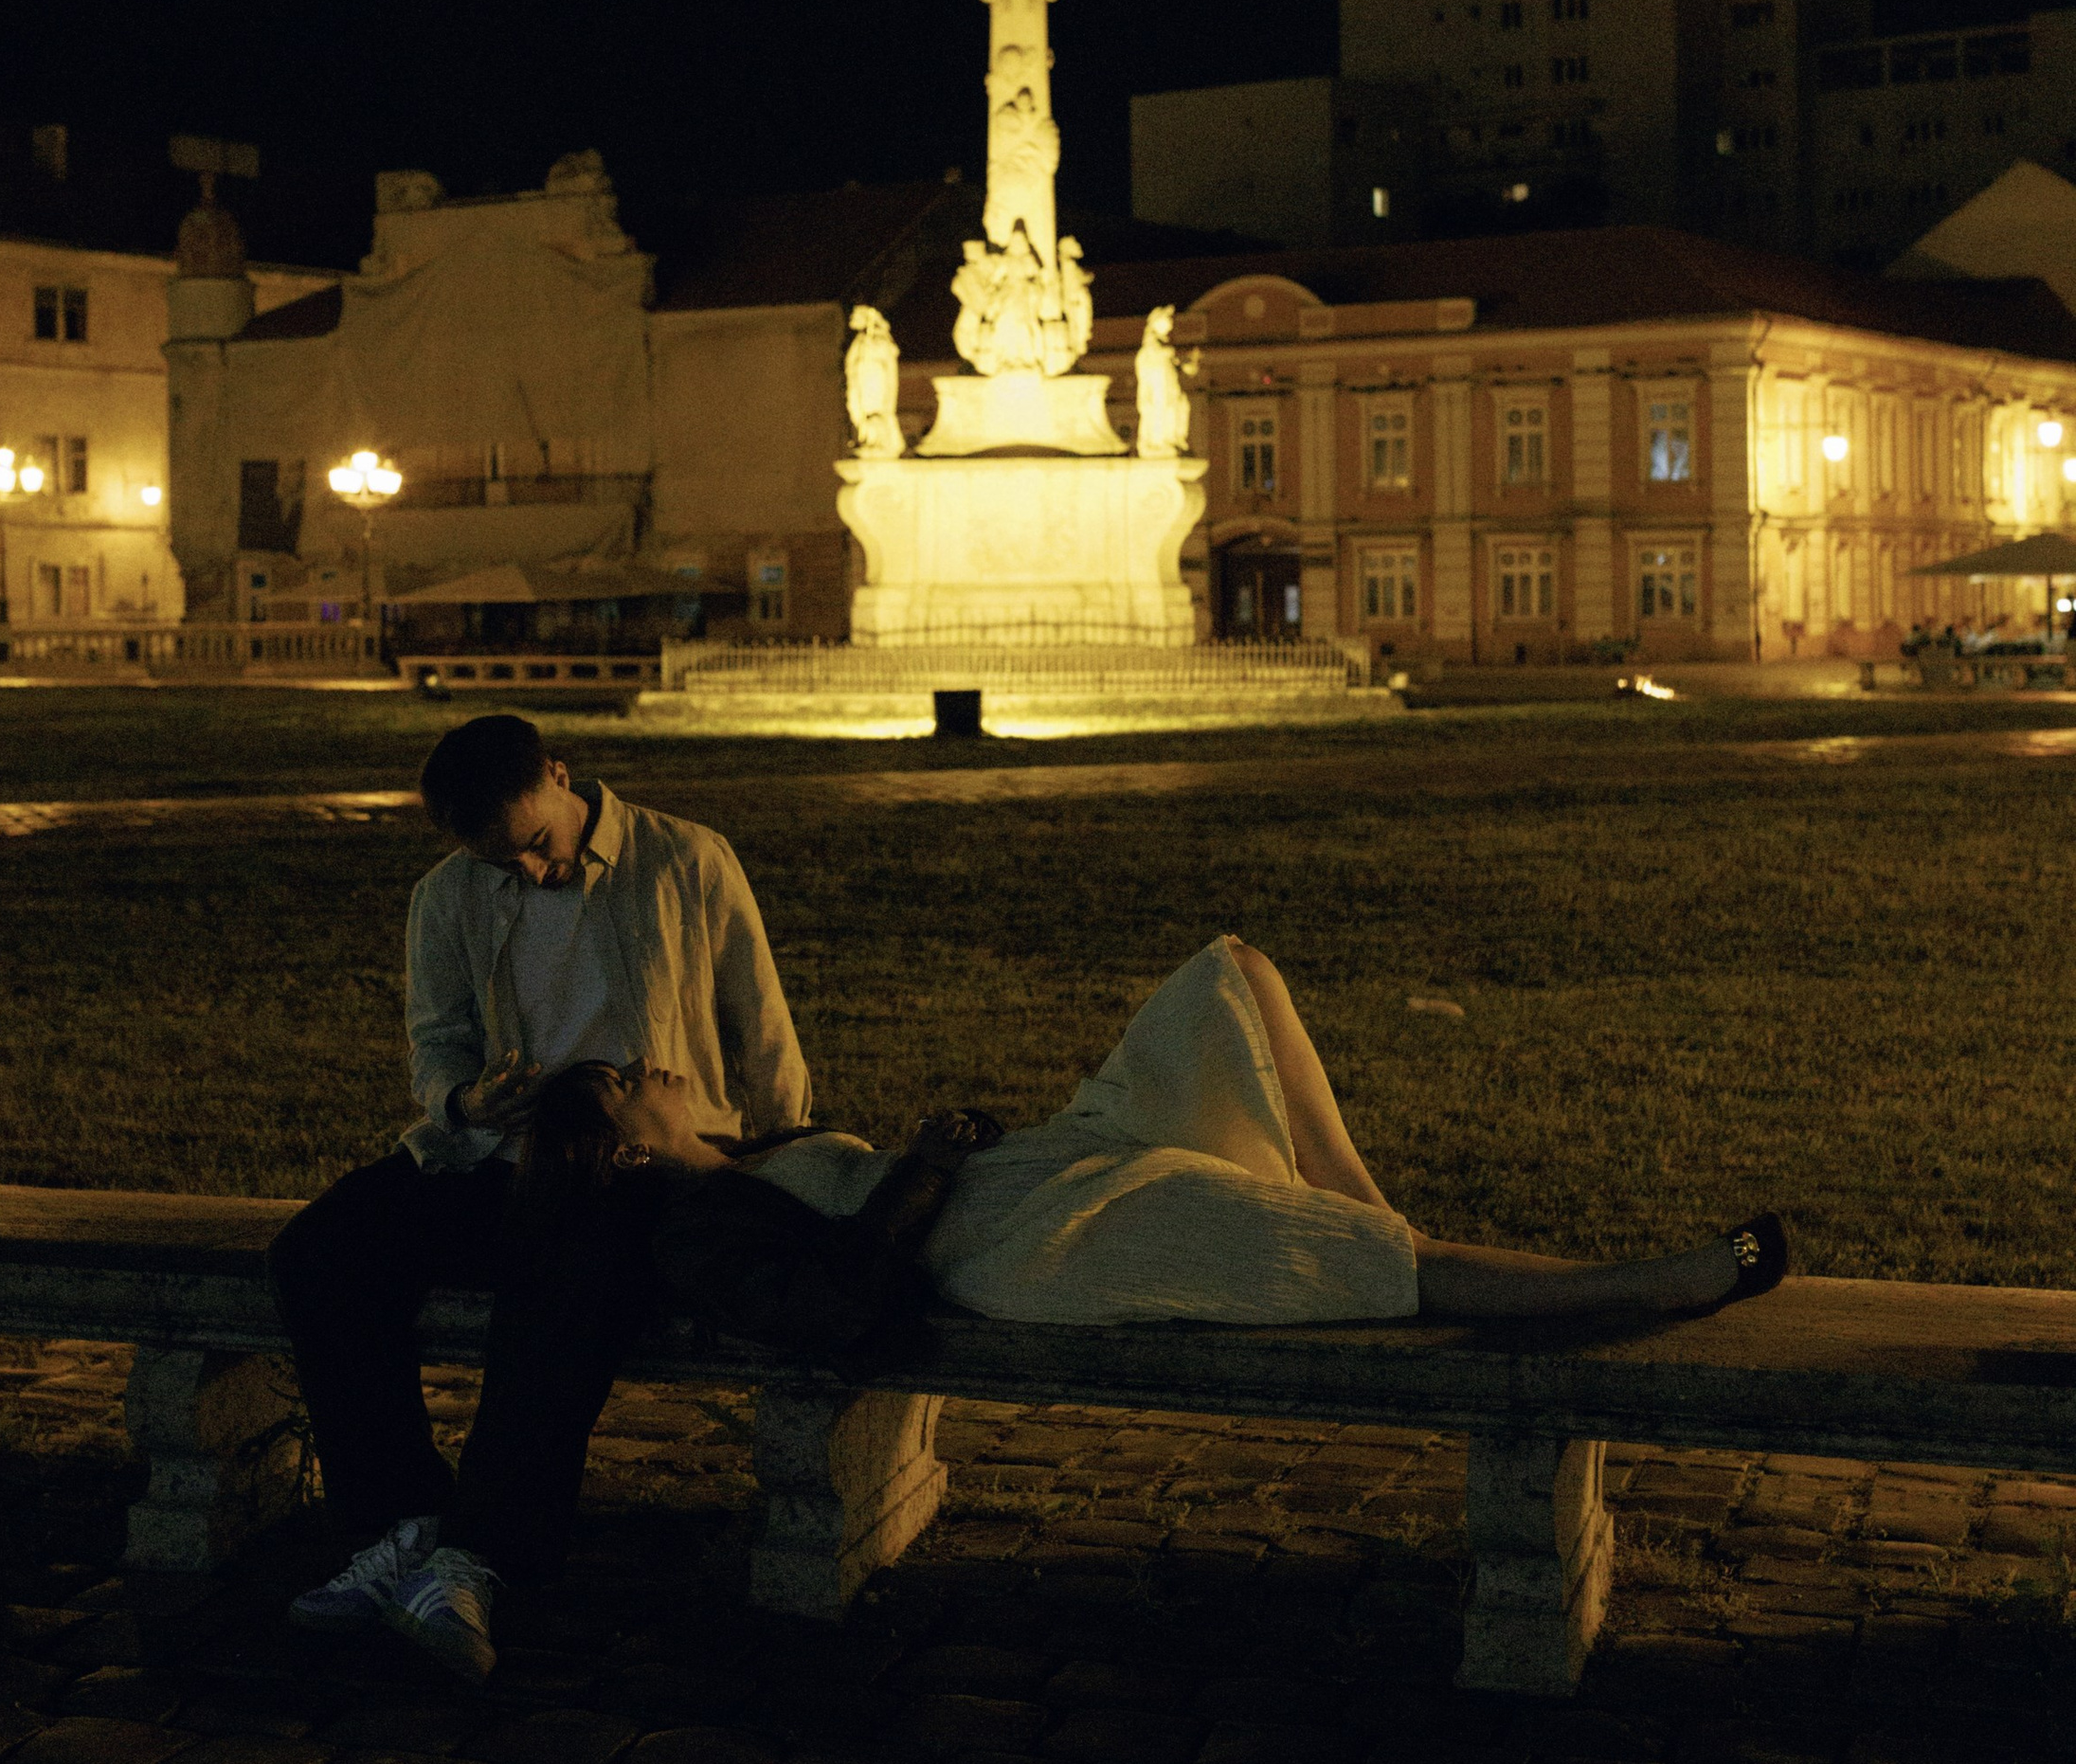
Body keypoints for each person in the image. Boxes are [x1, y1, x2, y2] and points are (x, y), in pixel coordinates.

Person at [267, 711, 810, 1676]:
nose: (527, 871)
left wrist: (775, 1168)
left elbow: (761, 1029)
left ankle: (479, 1558)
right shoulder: (446, 895)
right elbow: (435, 1047)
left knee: (563, 1283)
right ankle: (400, 1526)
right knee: (322, 1249)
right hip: (495, 1151)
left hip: (641, 1163)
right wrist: (470, 1099)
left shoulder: (684, 859)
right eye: (497, 861)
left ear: (561, 776)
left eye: (536, 845)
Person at [520, 933, 1786, 1334]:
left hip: (1025, 1175)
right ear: (626, 1149)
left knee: (1223, 977)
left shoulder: (738, 1161)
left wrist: (938, 1154)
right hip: (1023, 1243)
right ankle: (1619, 1290)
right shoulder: (698, 1225)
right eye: (627, 1082)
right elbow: (848, 1298)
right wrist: (931, 1163)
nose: (651, 1064)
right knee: (1316, 1254)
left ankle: (1370, 1206)